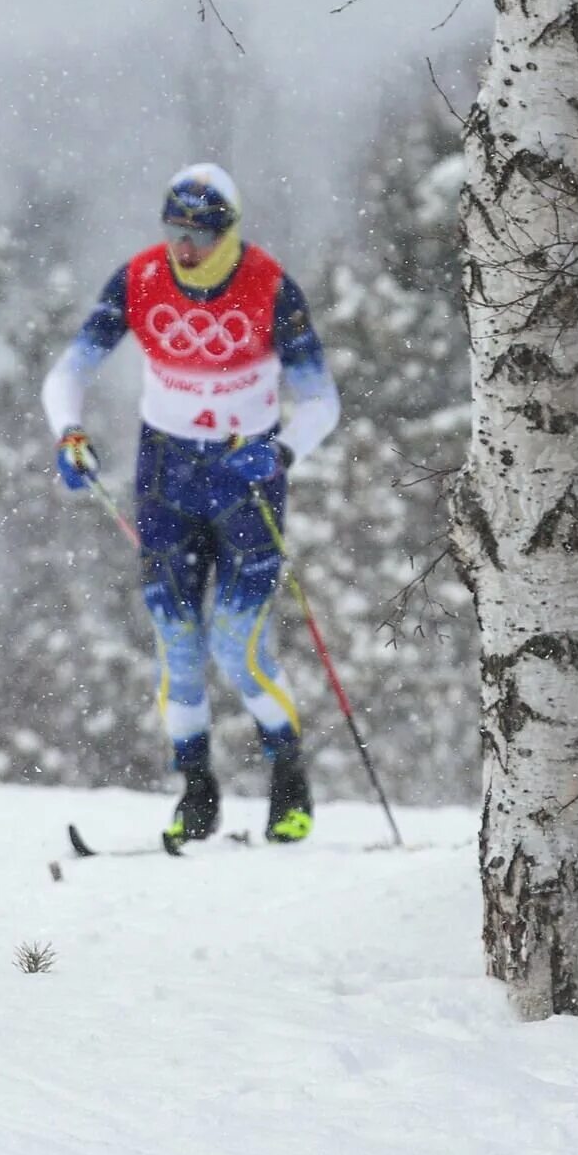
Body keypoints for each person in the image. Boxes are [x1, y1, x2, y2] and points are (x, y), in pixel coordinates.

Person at [40, 163, 341, 849]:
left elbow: (322, 400)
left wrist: (282, 451)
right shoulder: (141, 278)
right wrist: (70, 432)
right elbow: (70, 370)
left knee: (238, 649)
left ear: (229, 234)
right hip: (166, 477)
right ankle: (196, 791)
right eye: (175, 230)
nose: (185, 246)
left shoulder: (268, 285)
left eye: (200, 234)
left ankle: (288, 779)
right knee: (177, 645)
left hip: (246, 477)